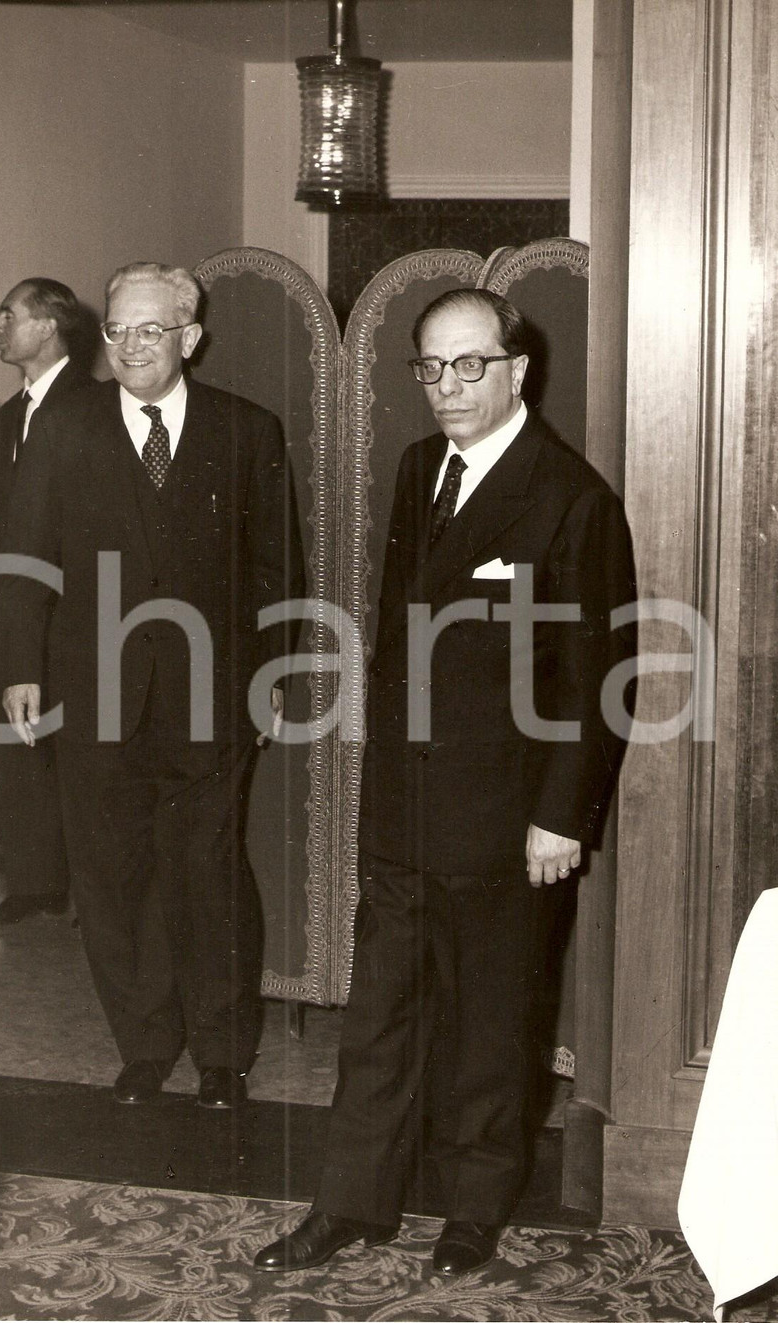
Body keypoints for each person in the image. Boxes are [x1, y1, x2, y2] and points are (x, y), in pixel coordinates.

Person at [254, 287, 635, 1274]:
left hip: (508, 815)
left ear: (518, 369)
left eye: (470, 364)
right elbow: (397, 642)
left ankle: (474, 1210)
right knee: (379, 1018)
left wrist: (563, 814)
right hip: (404, 806)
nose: (448, 386)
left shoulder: (572, 497)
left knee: (492, 1027)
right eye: (431, 366)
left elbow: (597, 678)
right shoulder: (421, 467)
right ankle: (352, 1202)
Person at [0, 262, 304, 1109]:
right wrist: (20, 666)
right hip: (93, 691)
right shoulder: (66, 426)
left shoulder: (247, 430)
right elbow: (25, 553)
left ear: (189, 338)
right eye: (118, 330)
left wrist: (272, 671)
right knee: (112, 875)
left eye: (151, 330)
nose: (130, 346)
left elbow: (278, 567)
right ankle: (143, 1044)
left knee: (208, 871)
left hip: (213, 694)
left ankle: (222, 1053)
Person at [0, 278, 93, 926]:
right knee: (18, 742)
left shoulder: (94, 405)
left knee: (77, 752)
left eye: (7, 314)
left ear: (47, 326)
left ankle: (91, 896)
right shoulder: (14, 413)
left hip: (74, 611)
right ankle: (33, 885)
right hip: (18, 607)